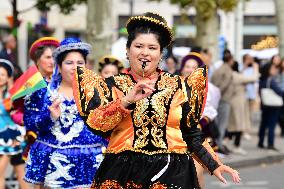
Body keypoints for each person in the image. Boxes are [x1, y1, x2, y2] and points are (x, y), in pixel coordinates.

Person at [74, 12, 240, 189]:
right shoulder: (110, 85)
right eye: (138, 46)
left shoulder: (180, 87)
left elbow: (191, 133)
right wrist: (126, 100)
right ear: (128, 50)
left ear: (161, 54)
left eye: (152, 48)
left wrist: (214, 164)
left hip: (172, 173)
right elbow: (97, 125)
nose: (145, 53)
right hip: (122, 173)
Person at [23, 38, 108, 188]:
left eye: (80, 63)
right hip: (53, 164)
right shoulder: (44, 92)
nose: (75, 67)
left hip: (89, 164)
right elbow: (30, 123)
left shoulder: (98, 93)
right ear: (59, 67)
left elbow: (108, 127)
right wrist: (49, 117)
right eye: (69, 63)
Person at [179, 52, 221, 189]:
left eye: (193, 67)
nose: (189, 69)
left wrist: (199, 124)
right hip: (173, 138)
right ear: (182, 68)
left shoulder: (204, 89)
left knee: (196, 173)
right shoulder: (173, 85)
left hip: (193, 138)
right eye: (187, 66)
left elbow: (211, 111)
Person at [0, 59, 28, 189]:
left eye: (3, 74)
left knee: (19, 172)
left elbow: (18, 113)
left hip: (11, 138)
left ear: (8, 77)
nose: (0, 77)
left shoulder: (11, 95)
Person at [258, 63, 283, 151]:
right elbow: (279, 91)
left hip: (265, 104)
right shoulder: (271, 80)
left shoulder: (262, 80)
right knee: (272, 125)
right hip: (273, 106)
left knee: (264, 124)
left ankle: (260, 142)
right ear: (268, 70)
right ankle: (271, 144)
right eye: (273, 68)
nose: (275, 70)